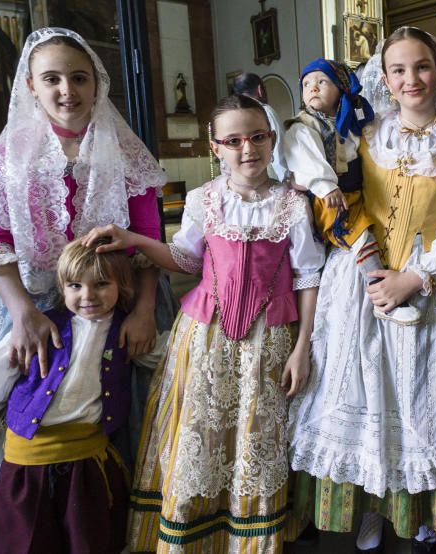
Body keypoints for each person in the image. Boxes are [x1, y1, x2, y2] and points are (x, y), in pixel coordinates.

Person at [0, 27, 168, 553]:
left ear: (96, 85)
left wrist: (145, 310)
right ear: (32, 88)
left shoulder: (124, 149)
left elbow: (150, 238)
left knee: (123, 413)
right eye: (53, 79)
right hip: (30, 299)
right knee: (8, 396)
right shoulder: (7, 154)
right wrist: (21, 312)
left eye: (79, 77)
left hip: (118, 299)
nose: (68, 90)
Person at [85, 94, 325, 552]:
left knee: (256, 434)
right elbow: (185, 260)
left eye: (257, 137)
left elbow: (308, 276)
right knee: (203, 432)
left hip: (269, 339)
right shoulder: (203, 200)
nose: (247, 149)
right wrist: (134, 238)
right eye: (233, 140)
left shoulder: (292, 204)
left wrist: (302, 348)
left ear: (272, 139)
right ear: (215, 148)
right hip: (205, 335)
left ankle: (250, 541)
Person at [289, 27, 436, 553]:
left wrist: (413, 278)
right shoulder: (364, 135)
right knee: (364, 396)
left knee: (412, 401)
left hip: (426, 283)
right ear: (383, 79)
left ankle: (419, 516)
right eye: (399, 70)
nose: (411, 80)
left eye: (421, 67)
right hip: (357, 281)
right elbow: (331, 191)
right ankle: (368, 511)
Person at [0, 238, 164, 553]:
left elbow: (166, 357)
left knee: (89, 542)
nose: (88, 296)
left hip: (87, 464)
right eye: (75, 285)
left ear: (121, 285)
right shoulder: (42, 331)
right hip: (28, 466)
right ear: (62, 287)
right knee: (23, 542)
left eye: (101, 284)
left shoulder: (125, 332)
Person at [284, 58, 417, 324]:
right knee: (360, 236)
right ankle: (382, 297)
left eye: (322, 82)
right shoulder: (304, 125)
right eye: (307, 84)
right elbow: (305, 157)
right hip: (330, 199)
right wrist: (325, 185)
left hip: (353, 194)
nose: (313, 88)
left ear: (340, 89)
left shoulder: (342, 122)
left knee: (375, 230)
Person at [233, 72, 288, 182]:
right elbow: (279, 147)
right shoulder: (265, 111)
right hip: (267, 178)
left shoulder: (231, 114)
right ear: (260, 90)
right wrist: (286, 180)